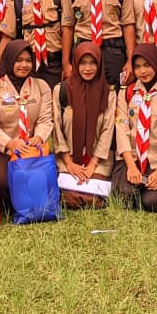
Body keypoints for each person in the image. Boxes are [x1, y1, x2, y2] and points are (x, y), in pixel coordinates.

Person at [0, 39, 54, 212]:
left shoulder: (41, 85)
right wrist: (10, 144)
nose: (24, 65)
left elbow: (45, 119)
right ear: (9, 60)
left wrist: (39, 137)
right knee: (4, 181)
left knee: (40, 178)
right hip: (3, 150)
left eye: (28, 60)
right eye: (18, 60)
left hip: (31, 147)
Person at [111, 46, 157, 212]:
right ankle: (131, 184)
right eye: (138, 66)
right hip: (131, 158)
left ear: (156, 64)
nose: (143, 71)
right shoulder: (126, 94)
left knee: (151, 202)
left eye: (147, 65)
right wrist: (131, 166)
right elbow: (122, 130)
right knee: (126, 195)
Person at [54, 42, 117, 209]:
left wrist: (92, 165)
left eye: (92, 63)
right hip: (68, 158)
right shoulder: (61, 90)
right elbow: (57, 129)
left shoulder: (109, 93)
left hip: (98, 160)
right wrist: (69, 163)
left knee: (92, 198)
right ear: (75, 63)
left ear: (99, 64)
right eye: (82, 63)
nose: (87, 68)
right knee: (70, 196)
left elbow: (107, 131)